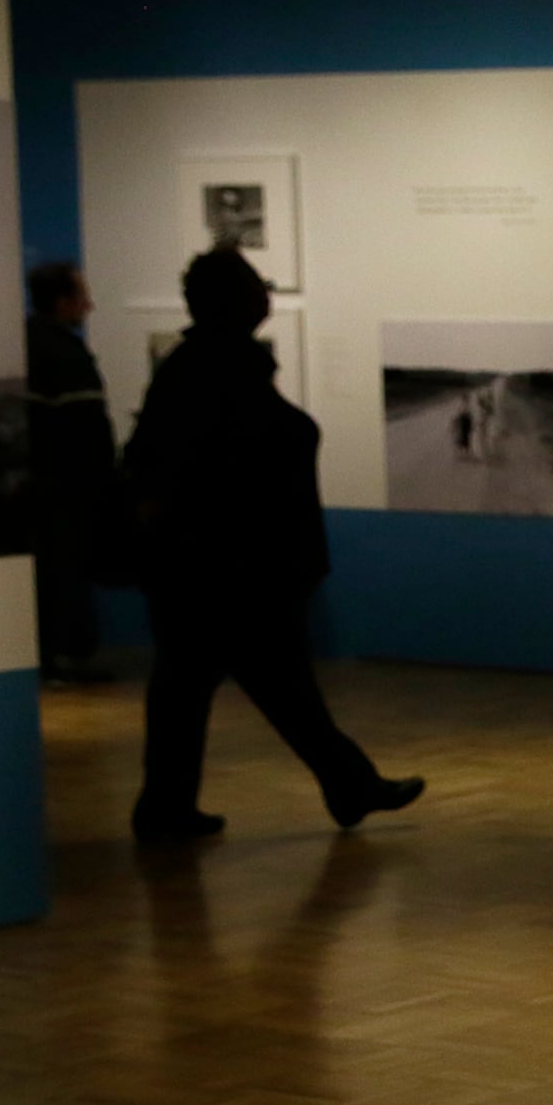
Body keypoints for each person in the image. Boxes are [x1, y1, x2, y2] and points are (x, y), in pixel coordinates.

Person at [121, 246, 425, 843]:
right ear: (236, 300)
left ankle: (169, 807)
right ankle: (346, 787)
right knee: (268, 685)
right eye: (257, 284)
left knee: (206, 688)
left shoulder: (200, 365)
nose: (266, 294)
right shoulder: (220, 367)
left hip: (206, 566)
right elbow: (228, 469)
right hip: (231, 567)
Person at [23, 261, 121, 682]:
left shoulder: (31, 345)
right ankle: (62, 656)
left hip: (48, 486)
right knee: (63, 571)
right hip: (68, 488)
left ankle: (55, 655)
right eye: (82, 296)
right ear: (63, 302)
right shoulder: (64, 354)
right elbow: (87, 428)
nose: (90, 305)